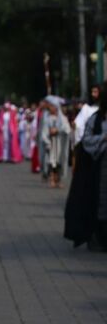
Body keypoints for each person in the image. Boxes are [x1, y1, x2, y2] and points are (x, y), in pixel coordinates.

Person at [65, 83, 107, 250]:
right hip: (99, 166)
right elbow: (87, 140)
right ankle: (98, 237)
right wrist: (103, 139)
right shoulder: (95, 118)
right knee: (101, 201)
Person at [39, 95, 71, 189]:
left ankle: (59, 180)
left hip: (60, 143)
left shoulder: (63, 118)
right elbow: (44, 132)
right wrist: (47, 142)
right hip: (52, 143)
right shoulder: (47, 118)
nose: (51, 108)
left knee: (60, 162)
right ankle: (52, 179)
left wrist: (57, 130)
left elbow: (67, 129)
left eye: (53, 106)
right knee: (53, 163)